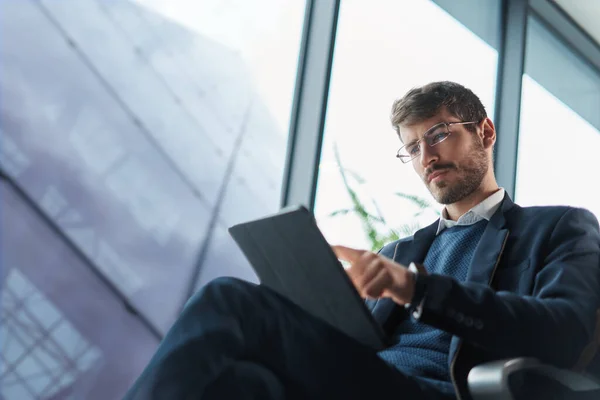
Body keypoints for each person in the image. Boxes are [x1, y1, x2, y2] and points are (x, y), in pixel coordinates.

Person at [123, 81, 600, 400]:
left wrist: (417, 290)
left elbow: (562, 330)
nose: (426, 156)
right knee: (242, 383)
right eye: (412, 147)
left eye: (438, 134)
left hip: (437, 392)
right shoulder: (399, 252)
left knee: (227, 297)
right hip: (368, 379)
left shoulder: (558, 228)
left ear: (485, 132)